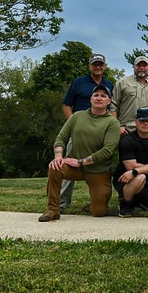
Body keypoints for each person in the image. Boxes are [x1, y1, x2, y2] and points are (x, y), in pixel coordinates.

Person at [39, 84, 120, 221]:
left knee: (99, 211)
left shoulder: (112, 123)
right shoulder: (77, 116)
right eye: (96, 95)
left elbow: (107, 151)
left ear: (109, 101)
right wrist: (58, 157)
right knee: (55, 167)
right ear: (90, 99)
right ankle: (53, 210)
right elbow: (61, 138)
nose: (99, 98)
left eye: (103, 96)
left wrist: (81, 162)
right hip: (74, 167)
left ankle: (94, 204)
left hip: (98, 170)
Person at [59, 53, 114, 211]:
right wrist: (73, 125)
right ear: (89, 66)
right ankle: (63, 202)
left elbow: (112, 108)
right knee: (69, 163)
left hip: (100, 133)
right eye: (94, 64)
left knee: (99, 165)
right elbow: (66, 105)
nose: (98, 67)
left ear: (104, 67)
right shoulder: (79, 82)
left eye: (100, 64)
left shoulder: (109, 84)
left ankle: (95, 201)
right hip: (79, 133)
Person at [113, 106, 148, 218]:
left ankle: (138, 202)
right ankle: (125, 203)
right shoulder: (127, 141)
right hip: (126, 179)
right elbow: (130, 166)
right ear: (136, 122)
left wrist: (137, 170)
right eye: (142, 120)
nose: (145, 123)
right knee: (140, 177)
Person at [112, 55, 148, 136]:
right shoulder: (122, 83)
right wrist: (117, 126)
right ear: (134, 67)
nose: (141, 68)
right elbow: (113, 106)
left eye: (144, 65)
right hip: (126, 131)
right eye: (138, 65)